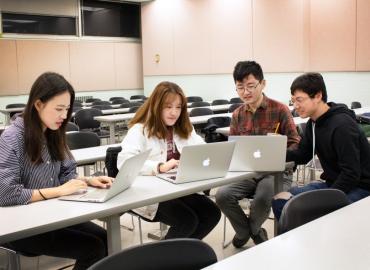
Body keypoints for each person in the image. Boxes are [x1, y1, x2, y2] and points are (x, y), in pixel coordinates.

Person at [0, 72, 113, 270]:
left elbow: (67, 174)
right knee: (93, 248)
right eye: (58, 109)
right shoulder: (12, 137)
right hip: (24, 225)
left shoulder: (54, 133)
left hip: (54, 215)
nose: (64, 115)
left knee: (107, 238)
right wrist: (58, 191)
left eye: (67, 109)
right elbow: (6, 193)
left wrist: (86, 181)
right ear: (38, 104)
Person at [117, 81, 221, 239]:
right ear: (156, 105)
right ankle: (165, 259)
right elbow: (124, 162)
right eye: (168, 106)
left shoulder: (184, 128)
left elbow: (202, 149)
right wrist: (159, 167)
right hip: (151, 194)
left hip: (178, 188)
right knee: (187, 220)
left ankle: (183, 253)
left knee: (212, 214)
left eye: (178, 107)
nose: (174, 112)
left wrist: (210, 159)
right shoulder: (140, 130)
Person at [215, 61, 300, 248]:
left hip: (276, 173)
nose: (246, 92)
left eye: (251, 86)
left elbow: (295, 144)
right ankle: (248, 231)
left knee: (263, 196)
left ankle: (249, 231)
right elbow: (233, 149)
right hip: (248, 173)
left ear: (263, 84)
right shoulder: (238, 114)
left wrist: (277, 152)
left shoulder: (280, 110)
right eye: (240, 88)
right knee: (222, 195)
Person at [272, 72, 370, 219]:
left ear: (318, 96)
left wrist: (324, 200)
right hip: (333, 183)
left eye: (299, 100)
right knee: (280, 200)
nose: (295, 106)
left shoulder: (342, 126)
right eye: (293, 101)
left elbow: (351, 174)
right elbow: (303, 155)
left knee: (313, 211)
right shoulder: (313, 122)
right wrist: (276, 152)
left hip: (360, 187)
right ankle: (302, 240)